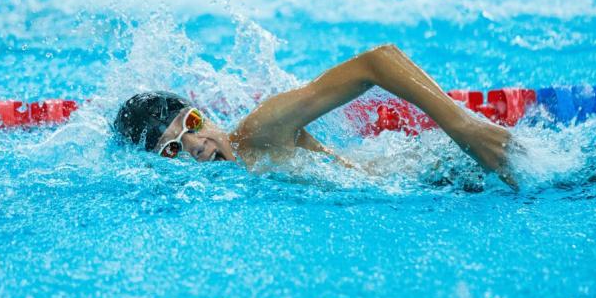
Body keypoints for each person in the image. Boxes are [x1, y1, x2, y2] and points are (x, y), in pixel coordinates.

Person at [113, 44, 517, 187]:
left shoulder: (259, 133)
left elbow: (377, 62)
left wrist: (465, 127)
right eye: (173, 151)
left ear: (203, 114)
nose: (197, 148)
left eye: (192, 126)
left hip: (440, 173)